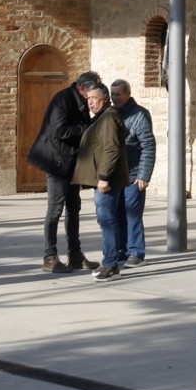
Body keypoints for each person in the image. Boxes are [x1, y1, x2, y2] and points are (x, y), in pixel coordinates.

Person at [26, 70, 101, 272]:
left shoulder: (78, 100)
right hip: (57, 163)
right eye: (91, 92)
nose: (92, 98)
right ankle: (49, 257)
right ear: (83, 87)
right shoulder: (63, 100)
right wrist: (86, 128)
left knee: (74, 208)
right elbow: (59, 131)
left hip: (71, 163)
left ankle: (75, 255)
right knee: (55, 209)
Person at [72, 82, 128, 279]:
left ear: (104, 99)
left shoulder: (109, 117)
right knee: (105, 220)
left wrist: (103, 178)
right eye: (88, 99)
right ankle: (109, 261)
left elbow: (111, 149)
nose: (89, 103)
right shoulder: (103, 117)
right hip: (103, 180)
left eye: (93, 98)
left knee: (107, 221)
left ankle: (111, 264)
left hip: (107, 182)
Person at [109, 80, 156, 266]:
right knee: (118, 214)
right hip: (116, 175)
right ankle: (122, 249)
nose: (115, 98)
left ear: (128, 94)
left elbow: (148, 146)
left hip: (134, 175)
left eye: (118, 94)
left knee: (132, 214)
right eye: (112, 94)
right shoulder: (111, 113)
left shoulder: (139, 115)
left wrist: (144, 175)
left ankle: (136, 252)